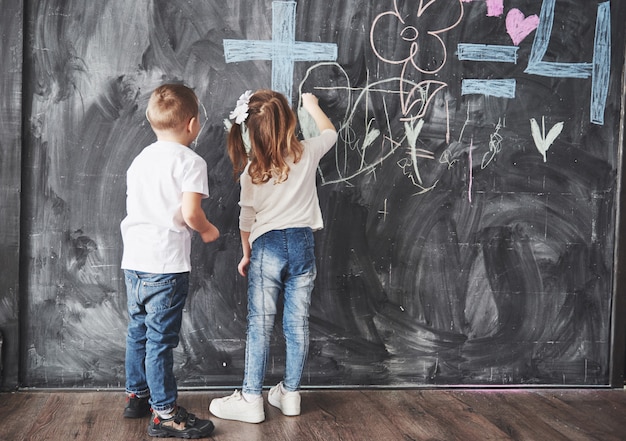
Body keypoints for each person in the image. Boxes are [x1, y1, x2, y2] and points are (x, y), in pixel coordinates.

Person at [209, 89, 337, 423]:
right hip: (302, 243)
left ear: (251, 131)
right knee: (297, 322)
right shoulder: (306, 153)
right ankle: (290, 394)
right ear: (290, 122)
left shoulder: (253, 169)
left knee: (261, 324)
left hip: (266, 247)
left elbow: (246, 220)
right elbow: (329, 134)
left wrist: (246, 254)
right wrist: (313, 106)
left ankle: (251, 397)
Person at [120, 83, 220, 438]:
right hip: (165, 265)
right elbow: (191, 212)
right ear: (193, 124)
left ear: (151, 119)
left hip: (133, 260)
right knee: (161, 340)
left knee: (139, 331)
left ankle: (137, 395)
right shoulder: (191, 162)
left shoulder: (140, 159)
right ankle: (164, 414)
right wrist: (207, 230)